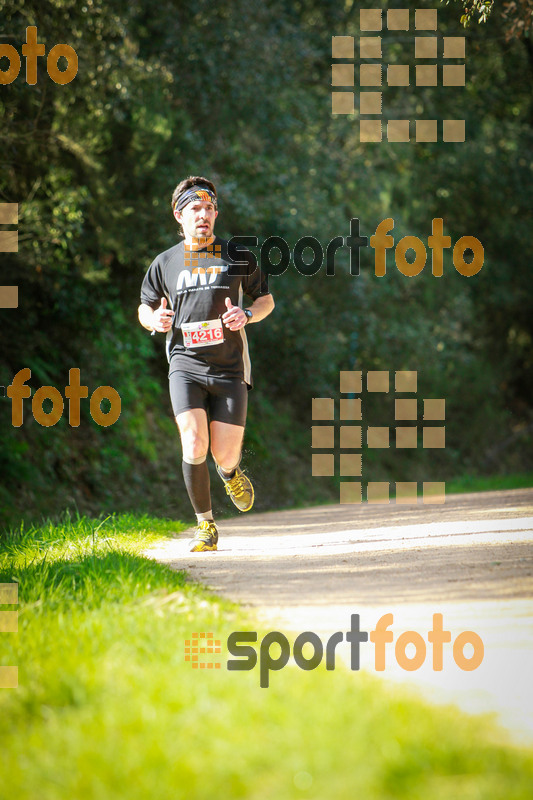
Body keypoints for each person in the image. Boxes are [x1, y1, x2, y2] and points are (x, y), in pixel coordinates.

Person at [138, 176, 274, 552]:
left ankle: (229, 473)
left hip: (230, 367)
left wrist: (247, 314)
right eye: (195, 209)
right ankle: (205, 525)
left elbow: (266, 300)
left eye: (209, 209)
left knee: (223, 454)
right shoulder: (164, 263)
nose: (204, 215)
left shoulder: (237, 255)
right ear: (179, 216)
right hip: (185, 363)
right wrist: (154, 321)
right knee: (194, 440)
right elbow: (145, 307)